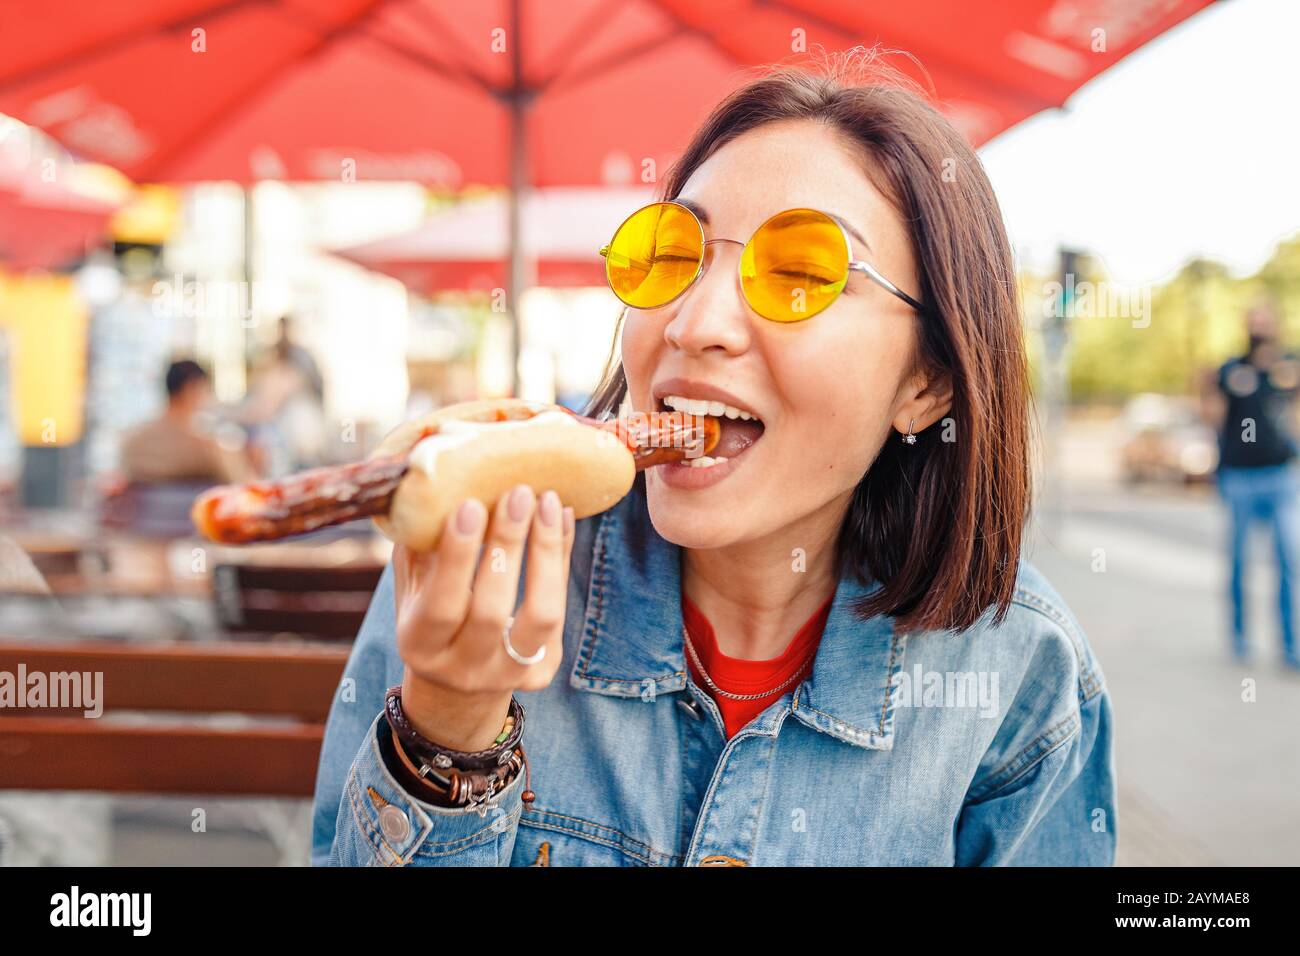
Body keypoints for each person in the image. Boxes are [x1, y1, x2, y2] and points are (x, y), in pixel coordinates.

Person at [311, 53, 1116, 866]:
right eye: (673, 254)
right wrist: (448, 732)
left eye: (800, 272)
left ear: (927, 383)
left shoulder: (1019, 675)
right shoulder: (481, 574)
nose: (695, 322)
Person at [1203, 303, 1300, 667]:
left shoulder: (1288, 366)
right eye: (1254, 322)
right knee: (1240, 560)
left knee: (1289, 560)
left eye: (1265, 321)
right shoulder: (1231, 369)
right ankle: (1241, 639)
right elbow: (1212, 416)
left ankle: (1291, 647)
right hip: (1240, 477)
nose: (1260, 328)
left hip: (1280, 475)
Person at [119, 359, 256, 485]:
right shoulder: (209, 447)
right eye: (206, 389)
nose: (207, 396)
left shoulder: (132, 441)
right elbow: (244, 484)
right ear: (191, 389)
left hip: (144, 511)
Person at [238, 316, 327, 475]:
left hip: (297, 437)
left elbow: (267, 406)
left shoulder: (298, 362)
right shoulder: (273, 358)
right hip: (287, 438)